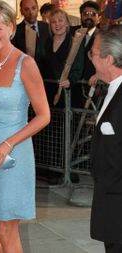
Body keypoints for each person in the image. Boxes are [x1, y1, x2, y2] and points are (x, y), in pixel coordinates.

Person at [0, 1, 50, 252]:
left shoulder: (26, 64)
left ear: (11, 28)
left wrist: (7, 144)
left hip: (14, 155)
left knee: (6, 230)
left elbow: (43, 115)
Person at [88, 24, 122, 253]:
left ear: (108, 59)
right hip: (109, 197)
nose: (90, 57)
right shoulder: (110, 90)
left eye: (93, 53)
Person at [38, 8, 84, 108]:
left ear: (67, 23)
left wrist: (71, 80)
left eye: (60, 20)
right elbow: (39, 63)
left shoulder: (74, 43)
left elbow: (79, 66)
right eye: (53, 22)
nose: (57, 24)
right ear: (50, 25)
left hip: (68, 92)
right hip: (47, 91)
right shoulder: (45, 42)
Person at [71, 1, 101, 95]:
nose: (89, 17)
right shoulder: (70, 32)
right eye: (85, 14)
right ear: (80, 15)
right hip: (70, 86)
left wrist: (99, 77)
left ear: (98, 18)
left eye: (93, 14)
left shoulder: (102, 36)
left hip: (91, 86)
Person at [11, 0, 51, 65]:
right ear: (21, 11)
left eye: (33, 8)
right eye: (26, 9)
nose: (31, 12)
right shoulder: (15, 31)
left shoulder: (47, 27)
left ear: (37, 8)